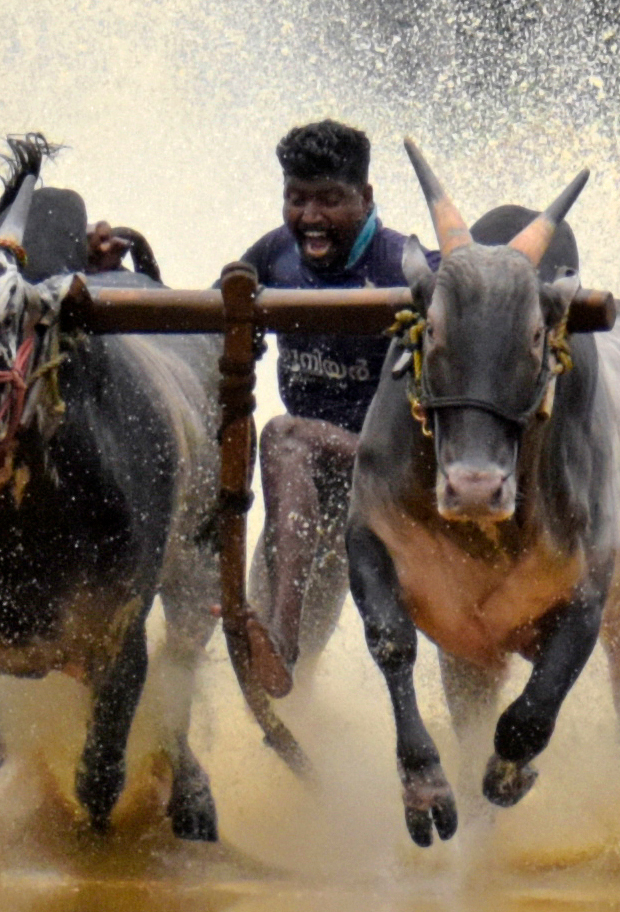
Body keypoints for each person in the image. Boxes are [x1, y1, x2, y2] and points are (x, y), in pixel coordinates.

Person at [237, 119, 440, 698]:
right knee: (257, 673)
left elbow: (476, 302)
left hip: (397, 474)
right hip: (314, 494)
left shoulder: (403, 263)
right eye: (297, 199)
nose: (311, 217)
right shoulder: (275, 255)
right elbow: (216, 310)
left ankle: (283, 633)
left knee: (285, 435)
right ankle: (282, 657)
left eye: (329, 200)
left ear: (365, 197)